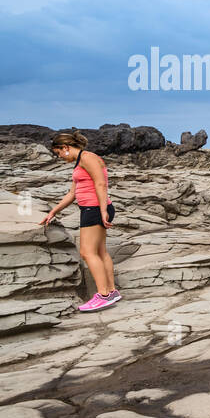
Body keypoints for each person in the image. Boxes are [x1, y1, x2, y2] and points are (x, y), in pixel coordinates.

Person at [40, 131, 120, 312]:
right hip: (93, 209)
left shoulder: (88, 158)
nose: (59, 157)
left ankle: (103, 295)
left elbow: (101, 184)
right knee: (100, 252)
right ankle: (112, 291)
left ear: (65, 147)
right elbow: (72, 193)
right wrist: (53, 211)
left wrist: (102, 210)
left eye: (59, 153)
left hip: (94, 209)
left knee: (86, 252)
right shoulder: (80, 162)